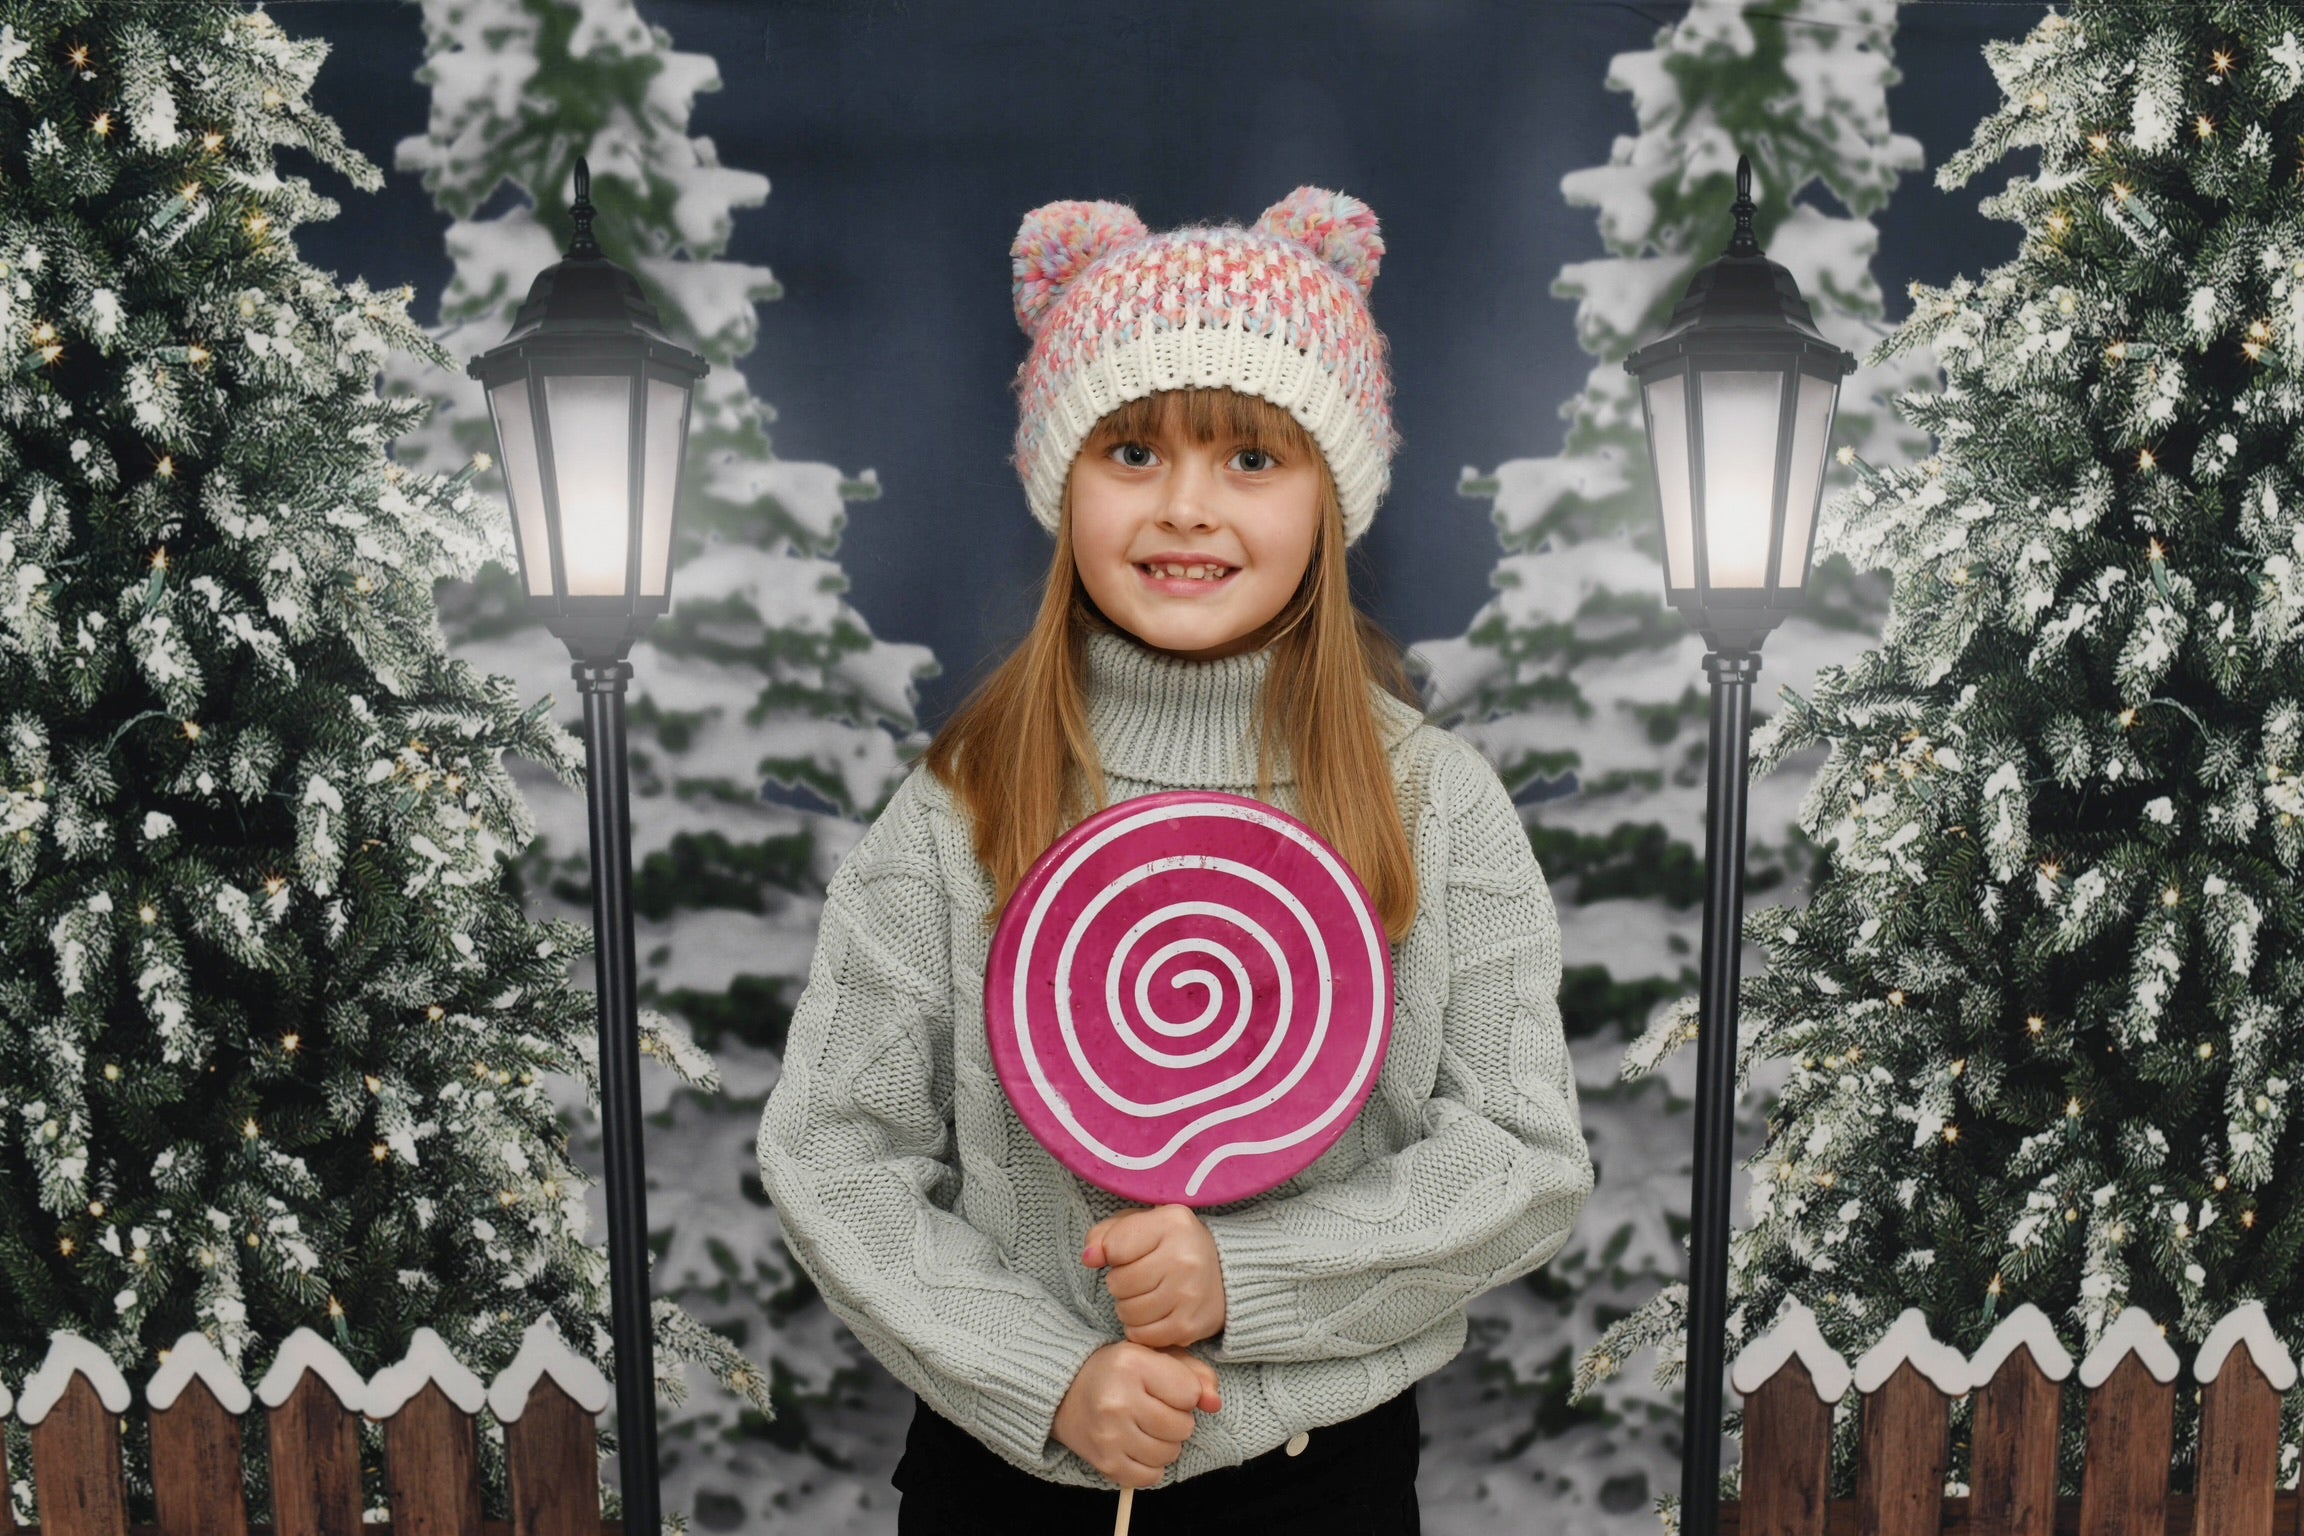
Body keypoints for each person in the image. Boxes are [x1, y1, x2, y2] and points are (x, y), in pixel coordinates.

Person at [757, 187, 1592, 1535]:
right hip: (1007, 1479)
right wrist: (1051, 1376)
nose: (1187, 508)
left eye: (1253, 460)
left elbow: (1520, 1158)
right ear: (1059, 479)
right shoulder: (958, 803)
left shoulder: (1433, 802)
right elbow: (835, 1155)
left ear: (1332, 492)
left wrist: (1241, 1276)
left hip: (1322, 1483)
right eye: (1131, 452)